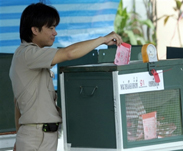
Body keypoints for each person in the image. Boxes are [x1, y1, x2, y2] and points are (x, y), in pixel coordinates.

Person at [9, 2, 123, 151]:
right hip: (36, 137)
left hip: (41, 136)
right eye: (50, 28)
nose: (55, 33)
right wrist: (102, 39)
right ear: (35, 30)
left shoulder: (32, 58)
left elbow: (17, 103)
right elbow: (69, 53)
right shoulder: (27, 54)